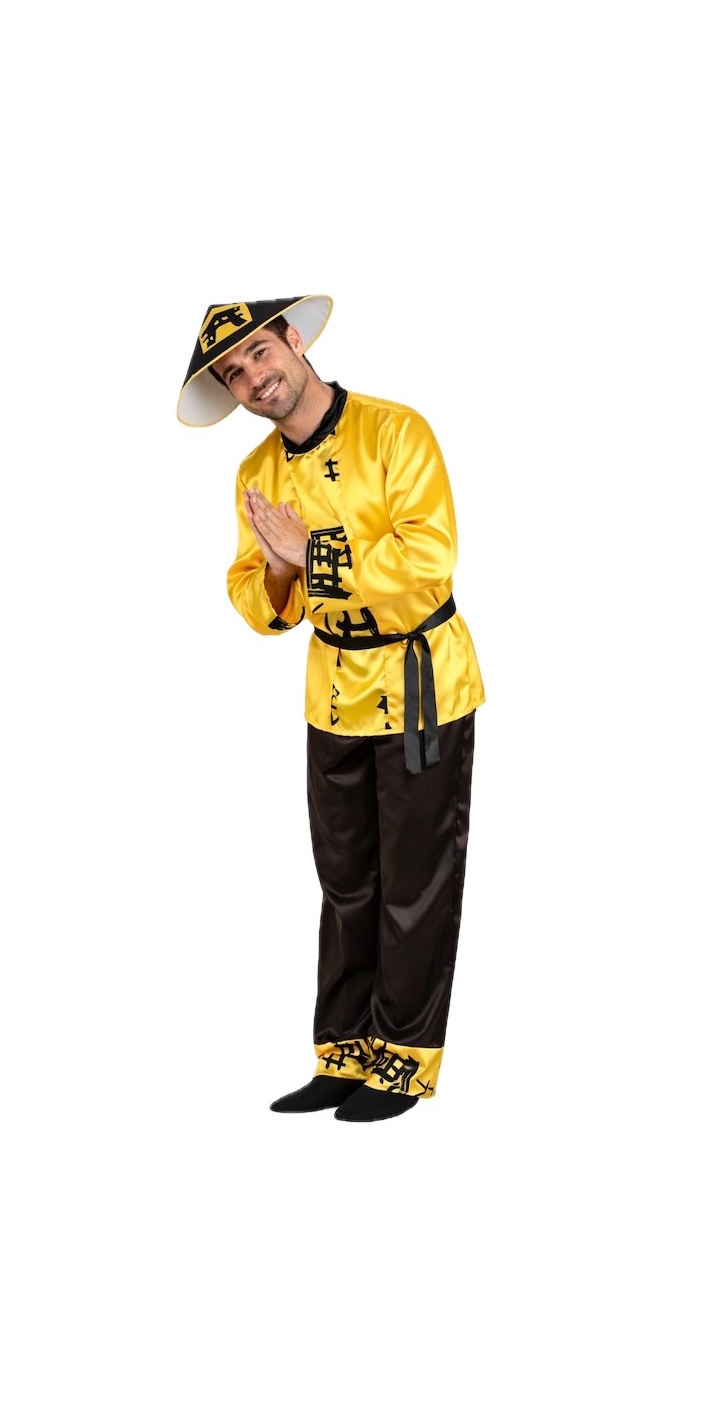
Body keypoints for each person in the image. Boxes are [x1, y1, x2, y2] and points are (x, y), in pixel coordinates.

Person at [177, 296, 485, 1122]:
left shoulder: (397, 432)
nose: (253, 377)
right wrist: (281, 570)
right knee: (347, 885)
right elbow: (255, 600)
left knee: (414, 886)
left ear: (294, 339)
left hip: (421, 687)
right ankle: (344, 1053)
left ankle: (403, 1061)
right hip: (333, 693)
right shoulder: (256, 476)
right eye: (233, 373)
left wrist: (309, 552)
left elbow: (429, 557)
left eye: (258, 353)